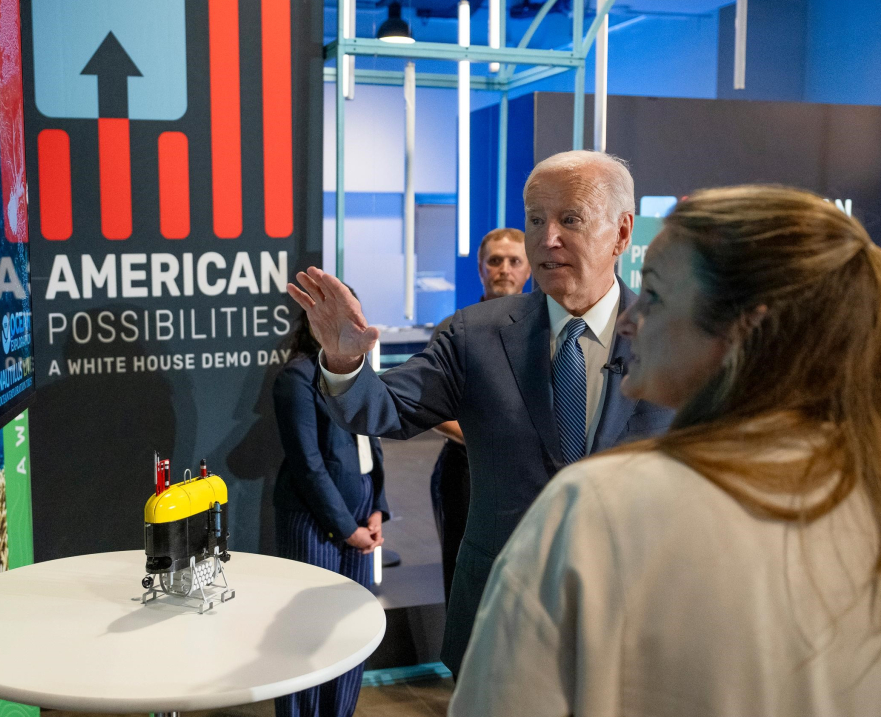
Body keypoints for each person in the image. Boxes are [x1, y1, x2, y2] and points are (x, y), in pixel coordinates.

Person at [451, 185, 881, 715]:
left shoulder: (598, 506)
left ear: (744, 326)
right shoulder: (867, 485)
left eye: (653, 293)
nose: (629, 321)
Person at [285, 150, 675, 673]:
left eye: (570, 219)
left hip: (637, 617)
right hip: (503, 615)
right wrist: (344, 361)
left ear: (622, 233)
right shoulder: (475, 335)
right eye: (535, 219)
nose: (548, 238)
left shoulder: (677, 338)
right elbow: (382, 410)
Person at [272, 299, 390, 717]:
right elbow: (307, 464)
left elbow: (372, 441)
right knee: (307, 634)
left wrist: (378, 508)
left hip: (360, 515)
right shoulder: (296, 377)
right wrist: (347, 528)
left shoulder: (359, 373)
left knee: (351, 632)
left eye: (354, 316)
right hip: (313, 521)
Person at [430, 228, 532, 606]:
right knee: (466, 583)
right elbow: (430, 407)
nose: (504, 269)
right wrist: (490, 438)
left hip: (531, 477)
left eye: (514, 261)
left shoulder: (550, 330)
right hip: (467, 474)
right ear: (480, 268)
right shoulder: (453, 331)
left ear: (529, 269)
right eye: (495, 260)